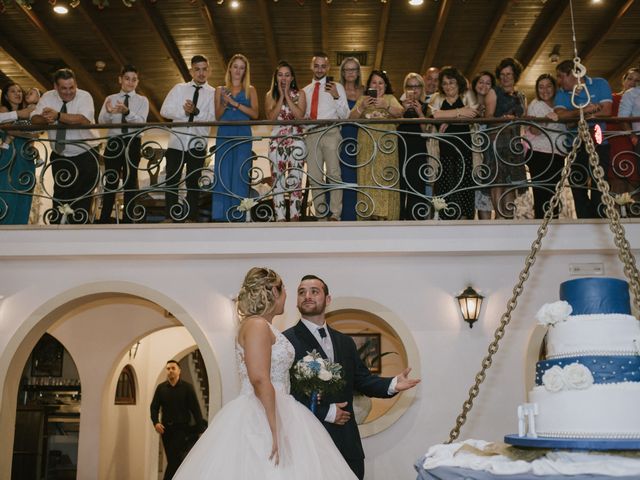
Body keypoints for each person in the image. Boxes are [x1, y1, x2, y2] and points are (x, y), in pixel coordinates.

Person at [173, 267, 358, 480]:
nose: (287, 294)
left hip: (281, 407)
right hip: (262, 412)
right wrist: (274, 427)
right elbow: (260, 379)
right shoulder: (257, 325)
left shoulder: (264, 326)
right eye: (284, 289)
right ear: (273, 292)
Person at [283, 274, 420, 480]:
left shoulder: (345, 342)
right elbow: (284, 391)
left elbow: (363, 380)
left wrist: (392, 384)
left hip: (347, 444)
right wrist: (326, 412)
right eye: (301, 292)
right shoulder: (286, 341)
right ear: (296, 301)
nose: (307, 296)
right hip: (308, 442)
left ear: (328, 299)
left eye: (314, 291)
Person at [31, 68, 99, 224]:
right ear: (55, 87)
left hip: (86, 153)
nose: (69, 92)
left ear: (76, 84)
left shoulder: (85, 96)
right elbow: (34, 119)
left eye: (72, 87)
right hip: (60, 154)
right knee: (60, 195)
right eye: (64, 88)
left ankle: (80, 236)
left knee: (83, 198)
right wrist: (45, 118)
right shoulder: (48, 97)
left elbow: (83, 119)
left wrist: (58, 115)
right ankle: (57, 233)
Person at [554, 59, 612, 219]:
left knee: (599, 180)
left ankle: (600, 217)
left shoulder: (600, 83)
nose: (558, 81)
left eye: (560, 76)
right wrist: (586, 110)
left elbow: (606, 111)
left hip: (599, 140)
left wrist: (575, 116)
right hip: (575, 145)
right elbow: (560, 116)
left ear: (572, 74)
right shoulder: (561, 93)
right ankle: (584, 220)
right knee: (577, 184)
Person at [160, 55, 215, 222]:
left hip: (198, 143)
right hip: (176, 142)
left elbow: (213, 117)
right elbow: (164, 111)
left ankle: (191, 217)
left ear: (209, 70)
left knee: (193, 182)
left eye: (204, 69)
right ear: (191, 70)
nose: (201, 73)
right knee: (172, 179)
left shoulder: (213, 93)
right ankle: (170, 216)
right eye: (197, 69)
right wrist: (184, 112)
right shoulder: (179, 89)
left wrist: (197, 112)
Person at [97, 64, 149, 223]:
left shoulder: (142, 100)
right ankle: (104, 218)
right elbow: (101, 121)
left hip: (133, 141)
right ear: (120, 80)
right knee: (110, 180)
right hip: (114, 141)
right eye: (127, 79)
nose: (130, 82)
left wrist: (127, 112)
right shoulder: (110, 99)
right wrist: (109, 112)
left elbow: (141, 122)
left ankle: (128, 219)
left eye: (134, 79)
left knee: (130, 180)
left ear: (137, 82)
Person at [349, 70, 403, 220]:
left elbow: (400, 114)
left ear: (385, 85)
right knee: (367, 178)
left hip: (387, 147)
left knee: (386, 176)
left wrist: (386, 106)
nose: (377, 86)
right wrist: (361, 107)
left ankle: (387, 215)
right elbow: (350, 118)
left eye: (380, 83)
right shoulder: (363, 99)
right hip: (366, 146)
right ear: (369, 86)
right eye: (374, 82)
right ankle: (368, 214)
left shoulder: (390, 98)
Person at [212, 54, 259, 222]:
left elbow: (255, 114)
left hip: (243, 133)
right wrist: (224, 103)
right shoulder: (219, 89)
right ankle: (220, 216)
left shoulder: (251, 90)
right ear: (230, 69)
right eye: (235, 66)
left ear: (245, 71)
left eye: (242, 67)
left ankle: (238, 214)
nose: (238, 70)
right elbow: (217, 116)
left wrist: (235, 103)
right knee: (222, 171)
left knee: (240, 173)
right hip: (224, 133)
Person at [303, 53, 350, 221]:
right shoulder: (305, 90)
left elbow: (345, 115)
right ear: (312, 67)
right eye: (317, 65)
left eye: (323, 66)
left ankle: (335, 214)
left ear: (328, 68)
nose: (320, 69)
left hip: (331, 131)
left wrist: (336, 95)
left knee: (334, 174)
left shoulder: (337, 87)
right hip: (312, 133)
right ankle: (321, 215)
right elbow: (302, 117)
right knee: (314, 176)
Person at [429, 66, 479, 220]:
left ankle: (464, 220)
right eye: (444, 83)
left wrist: (448, 120)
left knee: (464, 186)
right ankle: (446, 220)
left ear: (458, 83)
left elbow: (473, 113)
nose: (448, 86)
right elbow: (435, 115)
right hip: (443, 151)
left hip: (465, 149)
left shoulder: (467, 94)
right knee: (445, 187)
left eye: (451, 82)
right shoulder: (437, 97)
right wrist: (459, 113)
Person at [485, 57, 528, 219]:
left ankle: (508, 216)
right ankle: (500, 216)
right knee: (497, 180)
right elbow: (487, 117)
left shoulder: (521, 95)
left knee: (510, 182)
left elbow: (524, 117)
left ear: (515, 75)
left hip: (513, 142)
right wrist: (503, 118)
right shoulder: (493, 92)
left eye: (509, 74)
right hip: (497, 140)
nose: (505, 77)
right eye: (502, 74)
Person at [265, 61, 307, 222]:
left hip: (296, 140)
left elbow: (300, 117)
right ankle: (280, 218)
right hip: (276, 142)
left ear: (292, 78)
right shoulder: (270, 95)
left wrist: (288, 97)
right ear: (276, 78)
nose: (284, 78)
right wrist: (281, 96)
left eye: (287, 75)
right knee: (278, 181)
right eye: (280, 75)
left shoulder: (300, 94)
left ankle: (295, 217)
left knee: (295, 180)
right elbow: (271, 119)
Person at [150, 359, 206, 480]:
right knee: (174, 460)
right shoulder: (161, 388)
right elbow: (154, 407)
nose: (170, 371)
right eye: (168, 369)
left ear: (179, 370)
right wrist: (156, 422)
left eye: (173, 368)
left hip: (182, 430)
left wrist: (201, 427)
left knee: (174, 461)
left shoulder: (187, 388)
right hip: (166, 430)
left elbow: (195, 409)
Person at [525, 73, 567, 219]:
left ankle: (552, 224)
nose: (545, 90)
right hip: (539, 153)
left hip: (558, 153)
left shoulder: (561, 104)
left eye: (548, 86)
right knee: (542, 193)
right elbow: (534, 131)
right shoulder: (536, 104)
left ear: (554, 87)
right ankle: (541, 226)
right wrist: (546, 119)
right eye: (541, 87)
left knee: (554, 193)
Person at [0, 82, 38, 224]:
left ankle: (19, 227)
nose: (18, 94)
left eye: (19, 91)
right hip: (9, 155)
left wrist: (26, 131)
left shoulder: (29, 112)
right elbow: (8, 129)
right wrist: (28, 131)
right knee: (7, 193)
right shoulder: (3, 110)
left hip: (25, 156)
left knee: (24, 193)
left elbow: (36, 135)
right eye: (13, 91)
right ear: (5, 96)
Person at [398, 72, 429, 220]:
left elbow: (427, 131)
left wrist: (419, 112)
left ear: (422, 88)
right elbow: (393, 126)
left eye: (417, 86)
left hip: (418, 150)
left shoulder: (426, 106)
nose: (413, 90)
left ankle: (416, 219)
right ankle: (398, 218)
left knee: (416, 185)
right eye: (410, 86)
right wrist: (403, 111)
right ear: (405, 88)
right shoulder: (399, 105)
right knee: (400, 185)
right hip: (400, 148)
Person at [338, 57, 364, 221]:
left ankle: (361, 215)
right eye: (347, 70)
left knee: (361, 176)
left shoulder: (365, 90)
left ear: (358, 72)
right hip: (343, 135)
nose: (350, 73)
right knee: (343, 176)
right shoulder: (337, 90)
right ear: (342, 72)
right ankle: (344, 216)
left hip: (362, 136)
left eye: (354, 69)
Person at [471, 71, 497, 220]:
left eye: (488, 83)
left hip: (487, 153)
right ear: (475, 84)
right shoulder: (467, 102)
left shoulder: (493, 105)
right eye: (481, 82)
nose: (484, 86)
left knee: (485, 191)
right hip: (472, 152)